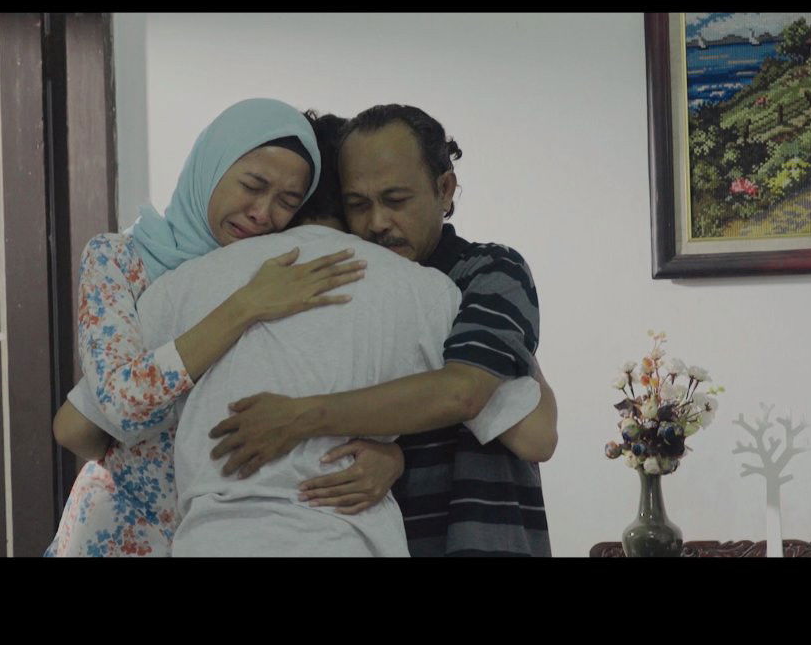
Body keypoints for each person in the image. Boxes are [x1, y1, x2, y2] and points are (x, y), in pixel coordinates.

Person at [209, 104, 557, 556]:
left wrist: (300, 416)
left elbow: (471, 397)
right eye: (358, 205)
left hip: (483, 538)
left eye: (396, 200)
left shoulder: (488, 270)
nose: (377, 223)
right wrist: (396, 458)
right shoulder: (339, 282)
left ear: (444, 189)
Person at [43, 99, 369, 557]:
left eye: (287, 202)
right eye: (252, 186)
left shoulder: (280, 275)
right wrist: (245, 306)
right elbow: (119, 404)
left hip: (217, 536)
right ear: (211, 165)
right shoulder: (119, 259)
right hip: (117, 528)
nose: (262, 213)